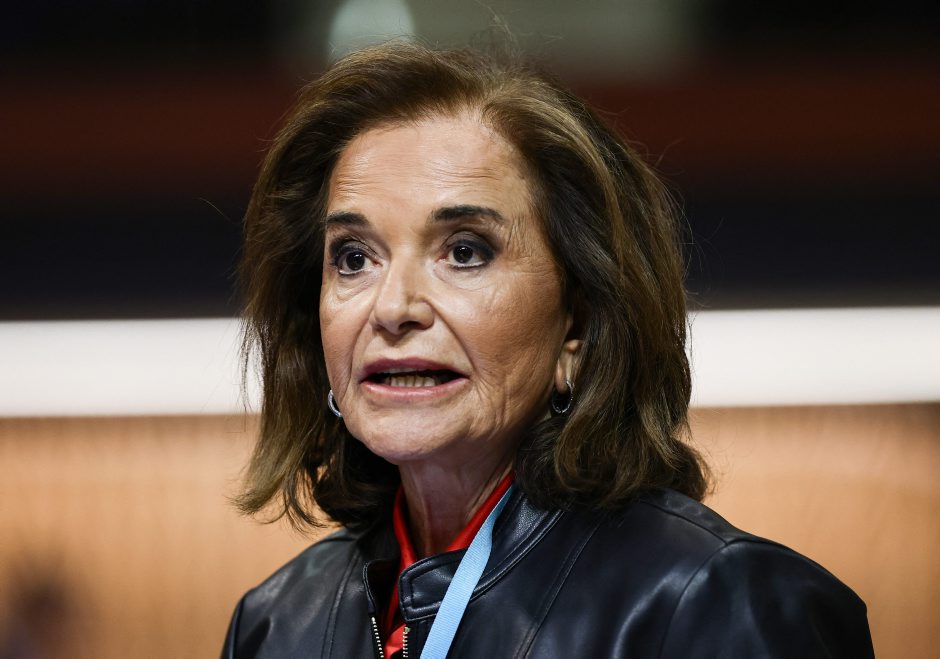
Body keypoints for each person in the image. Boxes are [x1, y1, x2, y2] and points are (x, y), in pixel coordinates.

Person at [222, 41, 873, 658]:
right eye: (354, 258)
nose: (392, 309)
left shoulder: (718, 603)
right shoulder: (275, 624)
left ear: (577, 325)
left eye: (465, 252)